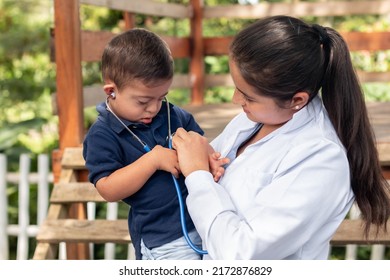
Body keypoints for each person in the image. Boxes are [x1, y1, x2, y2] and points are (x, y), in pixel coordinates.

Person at [172, 15, 390, 260]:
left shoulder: (321, 158)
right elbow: (207, 161)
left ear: (297, 100)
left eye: (248, 96)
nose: (235, 100)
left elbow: (241, 254)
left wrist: (197, 176)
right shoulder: (257, 118)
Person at [82, 28, 224, 260]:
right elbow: (107, 188)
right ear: (112, 91)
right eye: (143, 101)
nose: (154, 108)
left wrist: (210, 159)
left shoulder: (170, 114)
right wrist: (153, 160)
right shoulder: (103, 135)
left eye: (162, 97)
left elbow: (197, 140)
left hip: (204, 223)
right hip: (164, 240)